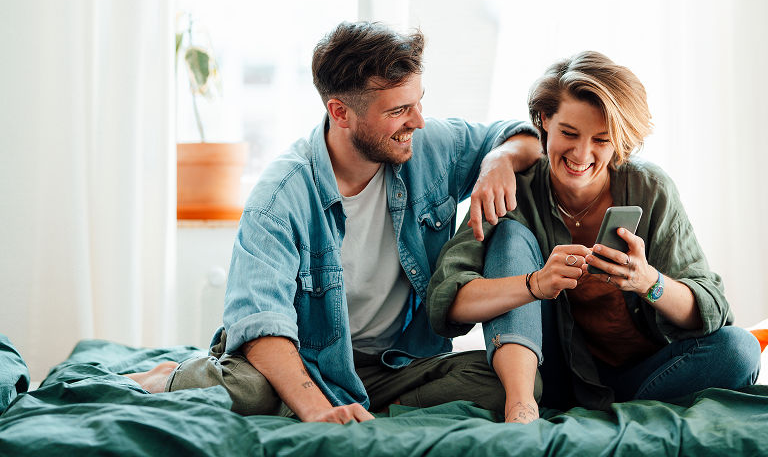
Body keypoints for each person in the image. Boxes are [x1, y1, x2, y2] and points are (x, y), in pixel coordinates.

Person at [130, 21, 544, 423]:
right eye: (399, 110)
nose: (417, 120)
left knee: (504, 381)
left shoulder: (429, 144)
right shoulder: (279, 197)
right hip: (307, 360)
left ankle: (361, 405)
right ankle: (174, 376)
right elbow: (261, 327)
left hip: (393, 364)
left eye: (419, 102)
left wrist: (498, 160)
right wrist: (317, 410)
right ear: (340, 112)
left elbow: (523, 136)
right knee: (251, 390)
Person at [427, 51, 762, 412]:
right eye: (569, 133)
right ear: (543, 120)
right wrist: (536, 283)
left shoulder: (649, 189)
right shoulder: (514, 191)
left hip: (644, 377)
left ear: (619, 141)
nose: (581, 154)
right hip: (549, 372)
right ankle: (521, 405)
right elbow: (446, 302)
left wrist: (649, 282)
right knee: (509, 234)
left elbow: (711, 309)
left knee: (739, 349)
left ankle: (621, 409)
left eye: (601, 140)